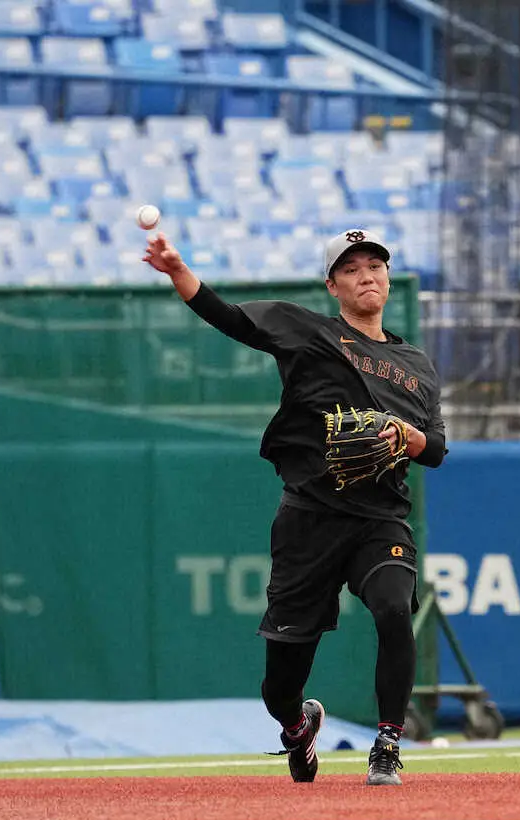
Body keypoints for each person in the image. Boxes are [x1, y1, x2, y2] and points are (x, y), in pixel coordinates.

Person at [144, 228, 447, 786]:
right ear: (333, 285)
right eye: (352, 269)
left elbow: (437, 450)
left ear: (387, 277)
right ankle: (296, 725)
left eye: (375, 266)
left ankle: (387, 744)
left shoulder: (416, 364)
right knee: (279, 683)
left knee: (393, 608)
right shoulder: (310, 333)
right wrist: (178, 272)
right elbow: (230, 318)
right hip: (309, 517)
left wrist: (408, 436)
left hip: (379, 518)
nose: (367, 276)